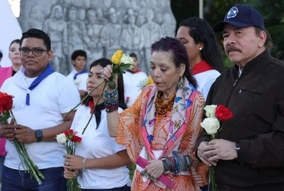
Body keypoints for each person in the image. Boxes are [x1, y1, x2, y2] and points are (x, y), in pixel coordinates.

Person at [196, 4, 284, 191]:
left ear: (261, 38)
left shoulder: (283, 78)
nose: (229, 41)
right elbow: (204, 127)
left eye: (238, 33)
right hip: (218, 184)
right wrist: (202, 146)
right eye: (225, 36)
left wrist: (238, 149)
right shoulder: (222, 80)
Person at [103, 37, 208, 190]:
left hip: (176, 184)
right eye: (152, 67)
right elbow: (115, 130)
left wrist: (165, 164)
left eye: (163, 69)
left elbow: (198, 154)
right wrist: (111, 91)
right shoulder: (147, 95)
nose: (156, 74)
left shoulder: (194, 101)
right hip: (144, 181)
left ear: (181, 69)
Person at [0, 28, 80, 190]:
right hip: (12, 168)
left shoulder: (61, 84)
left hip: (50, 170)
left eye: (37, 50)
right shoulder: (9, 83)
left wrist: (37, 135)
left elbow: (74, 124)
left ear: (49, 54)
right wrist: (3, 130)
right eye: (25, 50)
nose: (30, 54)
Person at [63, 58, 132, 190]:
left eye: (99, 76)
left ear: (112, 82)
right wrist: (73, 169)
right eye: (90, 75)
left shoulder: (117, 114)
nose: (91, 80)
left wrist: (84, 163)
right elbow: (77, 146)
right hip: (85, 186)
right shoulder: (82, 111)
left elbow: (126, 157)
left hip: (112, 186)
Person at [176, 17, 225, 99]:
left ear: (200, 45)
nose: (177, 46)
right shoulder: (178, 75)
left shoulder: (212, 78)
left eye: (184, 42)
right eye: (176, 41)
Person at [0, 39, 21, 179]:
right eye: (13, 50)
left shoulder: (31, 75)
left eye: (20, 49)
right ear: (8, 54)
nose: (16, 53)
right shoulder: (2, 74)